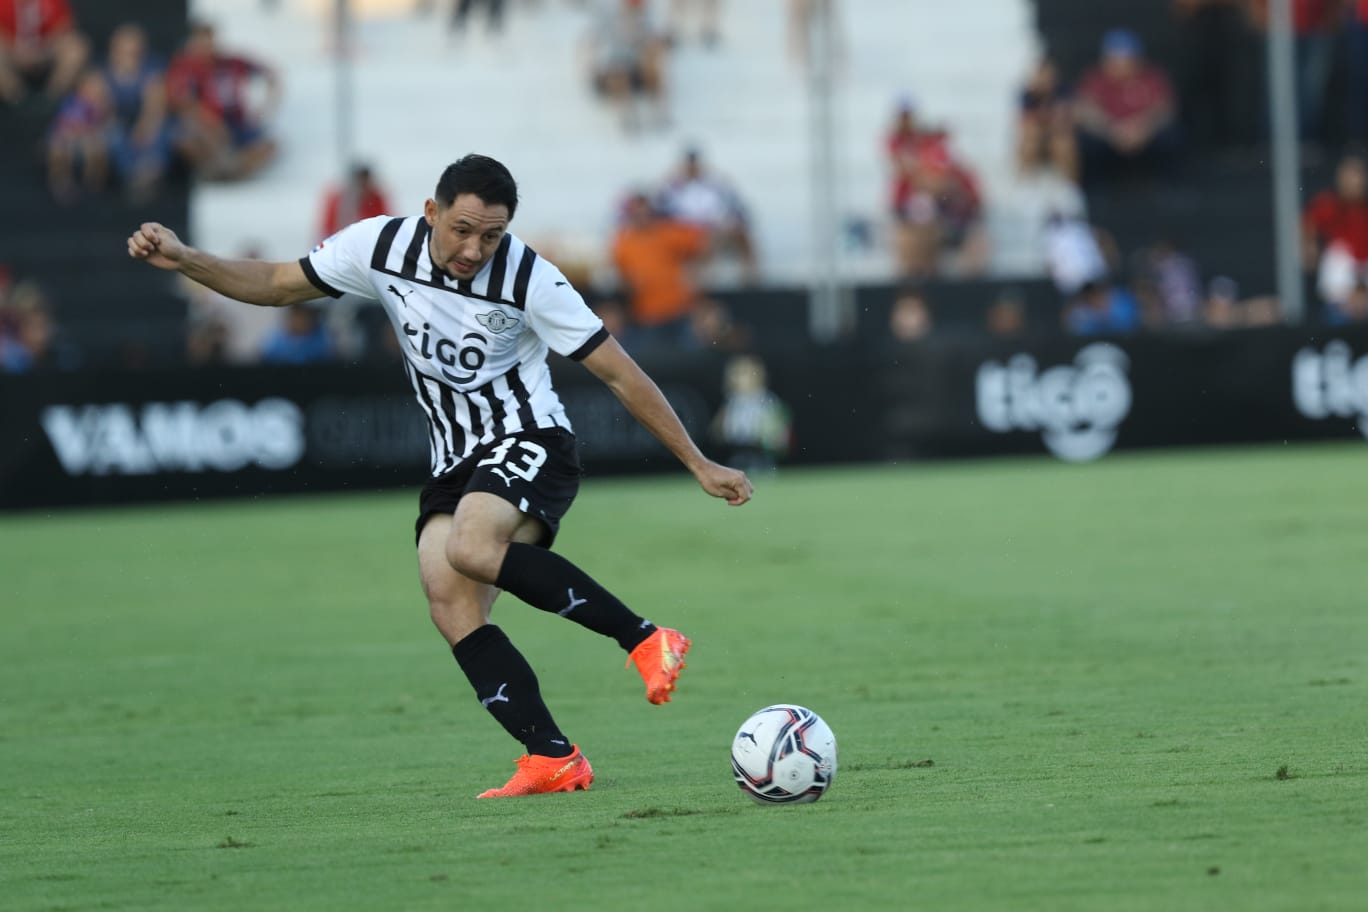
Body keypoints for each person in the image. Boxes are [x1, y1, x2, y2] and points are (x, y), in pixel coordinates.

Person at [126, 154, 753, 798]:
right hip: (454, 458)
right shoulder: (380, 244)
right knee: (448, 599)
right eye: (462, 229)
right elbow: (280, 282)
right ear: (431, 212)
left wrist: (698, 462)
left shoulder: (531, 278)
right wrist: (187, 258)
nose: (475, 247)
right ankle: (552, 756)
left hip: (529, 436)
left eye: (492, 235)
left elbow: (621, 372)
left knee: (472, 548)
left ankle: (646, 639)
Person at [166, 21, 280, 181]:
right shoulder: (185, 66)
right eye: (201, 42)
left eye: (209, 41)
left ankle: (234, 169)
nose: (206, 47)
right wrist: (208, 120)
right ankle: (216, 168)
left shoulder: (233, 62)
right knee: (185, 139)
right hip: (208, 126)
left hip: (237, 123)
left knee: (269, 147)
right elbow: (182, 101)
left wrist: (266, 106)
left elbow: (270, 74)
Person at [1074, 29, 1179, 185]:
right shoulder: (1095, 79)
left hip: (1144, 134)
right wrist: (1112, 130)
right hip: (1108, 135)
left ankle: (1166, 185)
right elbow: (1084, 109)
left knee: (1171, 137)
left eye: (1126, 60)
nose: (1120, 66)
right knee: (1086, 142)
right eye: (1115, 60)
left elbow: (1165, 108)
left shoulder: (1151, 78)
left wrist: (1143, 128)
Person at [610, 191, 709, 349]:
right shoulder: (623, 241)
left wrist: (697, 270)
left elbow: (702, 242)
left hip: (679, 311)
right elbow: (621, 279)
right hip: (647, 316)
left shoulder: (667, 233)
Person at [1303, 154, 1368, 310]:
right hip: (1343, 270)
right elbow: (1308, 222)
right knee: (1338, 253)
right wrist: (1308, 248)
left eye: (1358, 176)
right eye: (1349, 177)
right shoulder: (1330, 202)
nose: (1354, 182)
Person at [0, 0, 88, 104]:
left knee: (76, 48)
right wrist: (17, 50)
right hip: (13, 55)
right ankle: (16, 100)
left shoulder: (51, 2)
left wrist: (42, 49)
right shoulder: (3, 3)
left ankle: (52, 99)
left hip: (46, 53)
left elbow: (64, 26)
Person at [319, 163, 393, 239]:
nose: (363, 185)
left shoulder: (376, 199)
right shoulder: (338, 201)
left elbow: (385, 225)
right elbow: (328, 228)